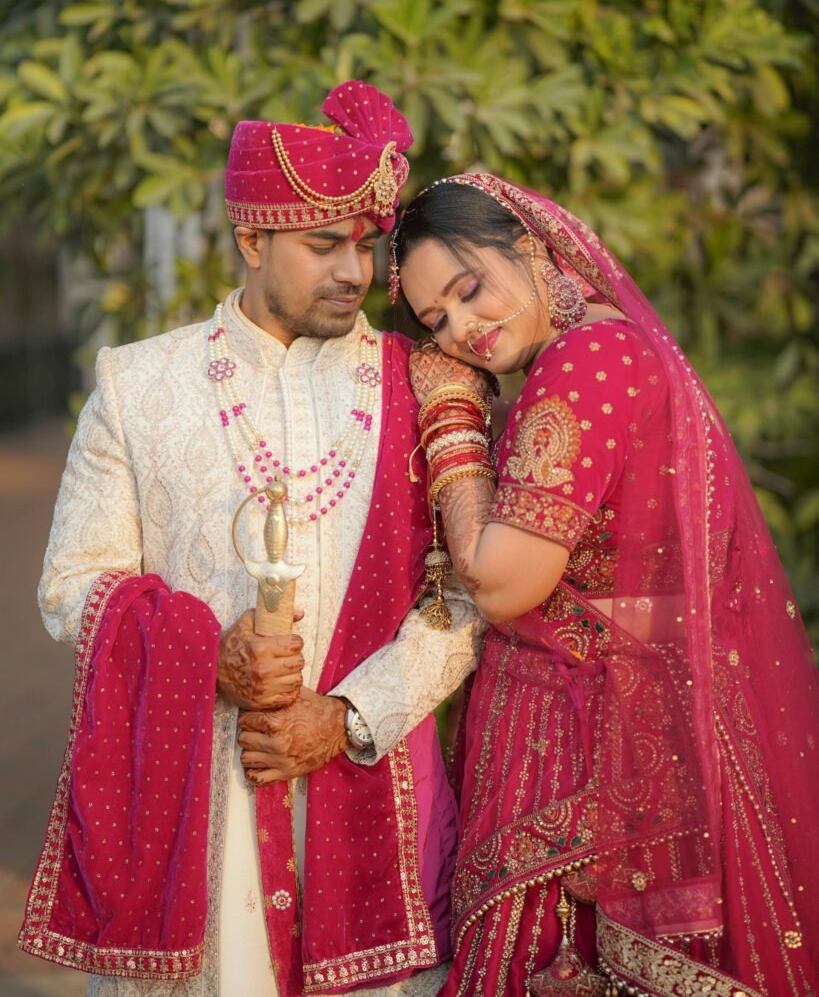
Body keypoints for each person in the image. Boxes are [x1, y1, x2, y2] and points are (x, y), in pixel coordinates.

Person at [18, 83, 483, 997]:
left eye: (365, 244)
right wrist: (203, 655)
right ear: (251, 240)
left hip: (372, 803)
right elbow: (70, 585)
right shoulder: (137, 386)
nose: (353, 272)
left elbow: (467, 595)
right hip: (201, 814)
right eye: (322, 246)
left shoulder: (425, 384)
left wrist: (347, 717)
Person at [390, 173, 819, 997]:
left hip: (593, 746)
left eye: (468, 290)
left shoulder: (586, 355)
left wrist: (449, 425)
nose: (461, 331)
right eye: (435, 321)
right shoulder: (611, 346)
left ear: (529, 247)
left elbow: (503, 581)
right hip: (628, 733)